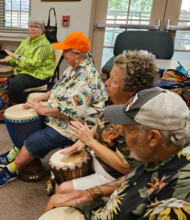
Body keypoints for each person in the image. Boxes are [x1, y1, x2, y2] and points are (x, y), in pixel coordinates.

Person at [39, 87, 190, 220]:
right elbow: (135, 178)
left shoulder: (179, 197)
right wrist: (96, 191)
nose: (121, 131)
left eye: (128, 128)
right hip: (113, 214)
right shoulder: (166, 151)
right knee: (56, 200)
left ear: (153, 137)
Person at [0, 32, 108, 188]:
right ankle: (13, 154)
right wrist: (39, 99)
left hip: (78, 126)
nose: (62, 53)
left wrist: (43, 111)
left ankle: (11, 170)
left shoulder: (86, 78)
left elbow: (71, 111)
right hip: (63, 116)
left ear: (77, 53)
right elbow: (57, 89)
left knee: (35, 140)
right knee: (29, 126)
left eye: (65, 50)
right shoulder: (73, 68)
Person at [51, 51, 158, 196]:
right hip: (99, 157)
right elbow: (103, 122)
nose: (106, 83)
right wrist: (85, 138)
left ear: (132, 89)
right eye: (109, 78)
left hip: (112, 175)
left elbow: (126, 167)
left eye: (114, 81)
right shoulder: (121, 101)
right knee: (57, 172)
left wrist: (90, 141)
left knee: (63, 189)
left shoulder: (138, 123)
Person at [0, 16, 54, 104]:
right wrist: (8, 59)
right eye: (30, 26)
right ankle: (5, 104)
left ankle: (19, 108)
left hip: (39, 74)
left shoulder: (44, 45)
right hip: (25, 70)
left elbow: (33, 65)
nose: (32, 29)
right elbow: (16, 55)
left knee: (16, 84)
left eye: (36, 27)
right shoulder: (26, 41)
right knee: (4, 78)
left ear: (42, 29)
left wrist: (16, 57)